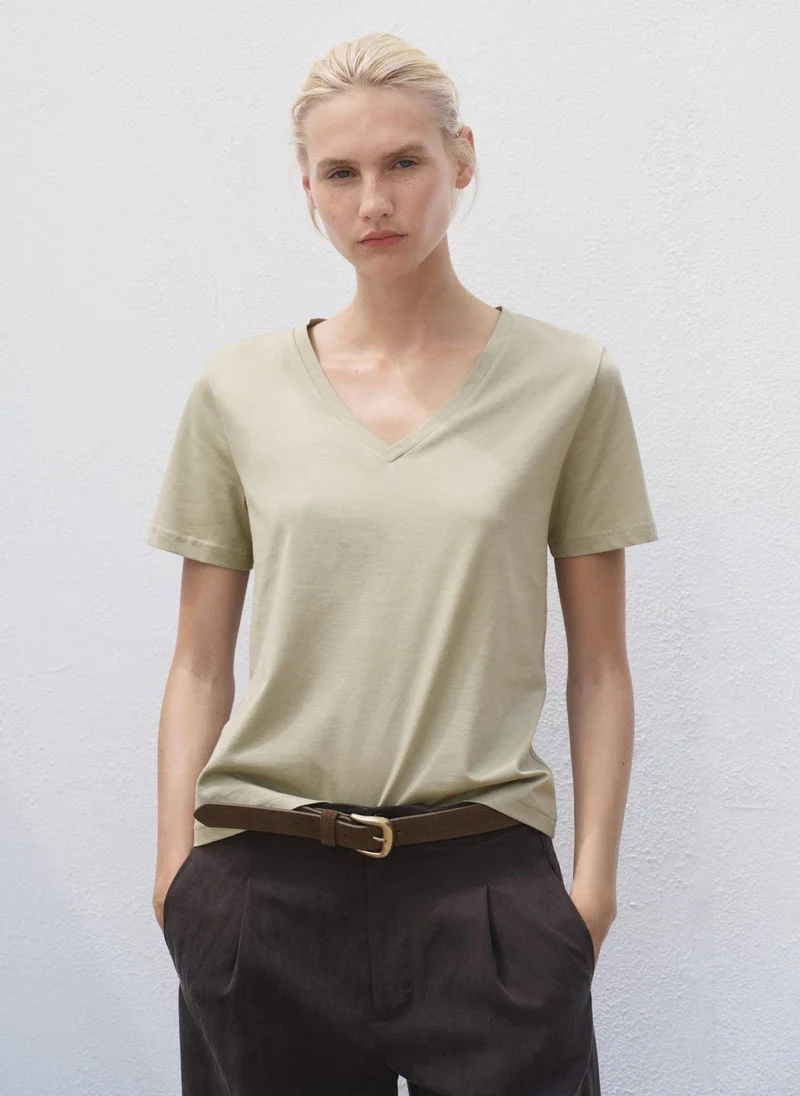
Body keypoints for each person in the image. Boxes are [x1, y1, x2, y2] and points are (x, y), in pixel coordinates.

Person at [147, 31, 658, 1096]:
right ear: (307, 189)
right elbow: (198, 662)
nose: (373, 201)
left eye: (404, 162)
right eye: (340, 173)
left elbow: (601, 664)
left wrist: (590, 894)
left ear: (461, 158)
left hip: (484, 894)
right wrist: (175, 879)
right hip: (262, 889)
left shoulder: (569, 382)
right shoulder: (238, 390)